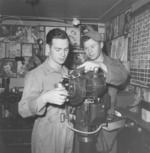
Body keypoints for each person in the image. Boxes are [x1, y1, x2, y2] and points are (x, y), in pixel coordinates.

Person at [18, 28, 74, 153]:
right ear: (48, 49)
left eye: (66, 49)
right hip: (47, 134)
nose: (63, 54)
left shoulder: (70, 74)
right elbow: (22, 110)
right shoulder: (36, 74)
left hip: (68, 130)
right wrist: (44, 98)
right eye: (58, 49)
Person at [77, 27, 129, 153]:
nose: (89, 51)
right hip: (85, 122)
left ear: (101, 45)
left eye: (92, 46)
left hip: (106, 123)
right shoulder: (82, 67)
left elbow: (122, 77)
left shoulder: (113, 64)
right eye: (86, 48)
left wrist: (101, 67)